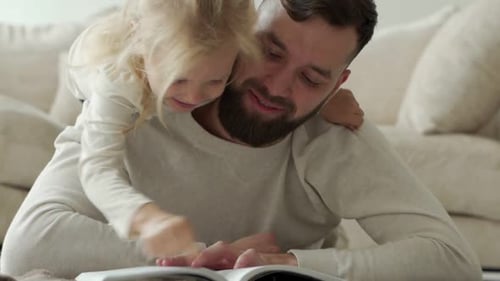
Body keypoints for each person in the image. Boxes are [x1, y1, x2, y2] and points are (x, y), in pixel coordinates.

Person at [1, 0, 481, 280]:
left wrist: (289, 263)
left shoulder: (332, 134)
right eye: (270, 52)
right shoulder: (137, 94)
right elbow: (27, 245)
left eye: (313, 78)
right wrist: (213, 258)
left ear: (338, 84)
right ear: (239, 30)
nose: (278, 89)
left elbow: (453, 261)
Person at [57, 0, 364, 261]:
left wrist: (323, 101)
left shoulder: (225, 52)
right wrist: (143, 216)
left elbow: (267, 85)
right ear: (144, 48)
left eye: (215, 82)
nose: (193, 98)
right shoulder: (117, 81)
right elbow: (97, 170)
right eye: (179, 80)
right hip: (97, 66)